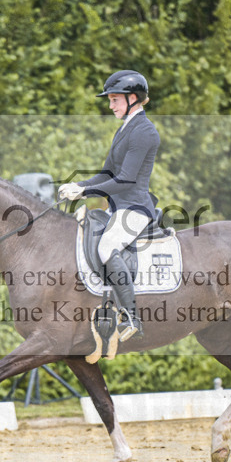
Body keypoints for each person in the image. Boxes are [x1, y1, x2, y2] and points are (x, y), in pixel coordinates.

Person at [58, 70, 160, 341]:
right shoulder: (125, 129)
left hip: (135, 207)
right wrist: (78, 187)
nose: (111, 105)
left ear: (133, 98)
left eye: (115, 100)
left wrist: (85, 190)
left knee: (106, 247)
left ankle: (131, 316)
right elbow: (106, 174)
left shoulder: (145, 132)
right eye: (111, 100)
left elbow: (125, 180)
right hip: (117, 208)